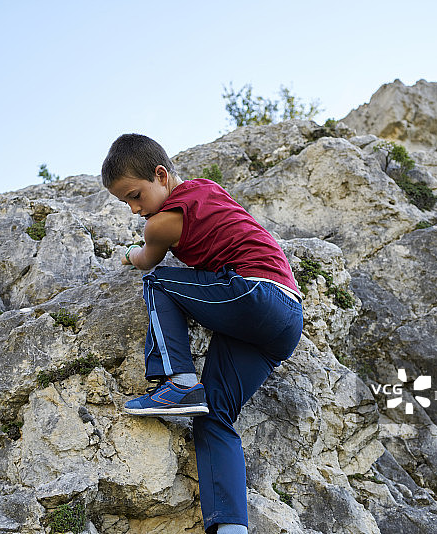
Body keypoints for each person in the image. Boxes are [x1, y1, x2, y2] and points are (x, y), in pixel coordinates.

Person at [101, 133, 303, 534]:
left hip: (253, 293)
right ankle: (231, 528)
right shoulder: (208, 190)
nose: (134, 208)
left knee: (158, 282)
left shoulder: (162, 222)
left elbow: (146, 261)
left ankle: (179, 382)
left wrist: (125, 254)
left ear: (161, 175)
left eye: (136, 195)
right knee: (212, 416)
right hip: (286, 318)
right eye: (125, 202)